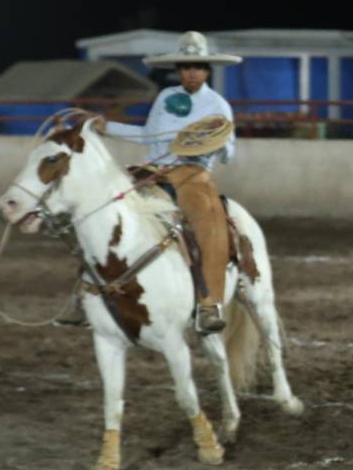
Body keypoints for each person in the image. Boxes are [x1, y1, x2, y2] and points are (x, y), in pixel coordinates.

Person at [59, 31, 242, 334]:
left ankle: (209, 303)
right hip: (152, 170)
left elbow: (228, 155)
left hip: (192, 174)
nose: (191, 73)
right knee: (101, 211)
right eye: (185, 67)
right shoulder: (166, 98)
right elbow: (147, 135)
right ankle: (84, 294)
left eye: (197, 66)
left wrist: (217, 141)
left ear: (207, 69)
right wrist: (106, 126)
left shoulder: (217, 105)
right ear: (178, 70)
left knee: (209, 223)